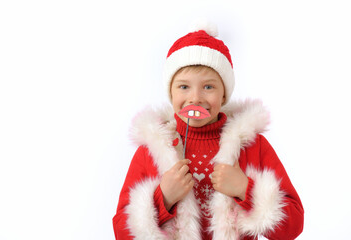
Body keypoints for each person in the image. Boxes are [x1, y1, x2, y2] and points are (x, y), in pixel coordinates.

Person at [112, 23, 304, 240]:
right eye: (184, 87)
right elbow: (122, 232)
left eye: (208, 87)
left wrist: (245, 189)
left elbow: (293, 225)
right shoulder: (153, 149)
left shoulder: (252, 144)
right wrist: (162, 198)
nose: (195, 98)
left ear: (224, 95)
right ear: (171, 93)